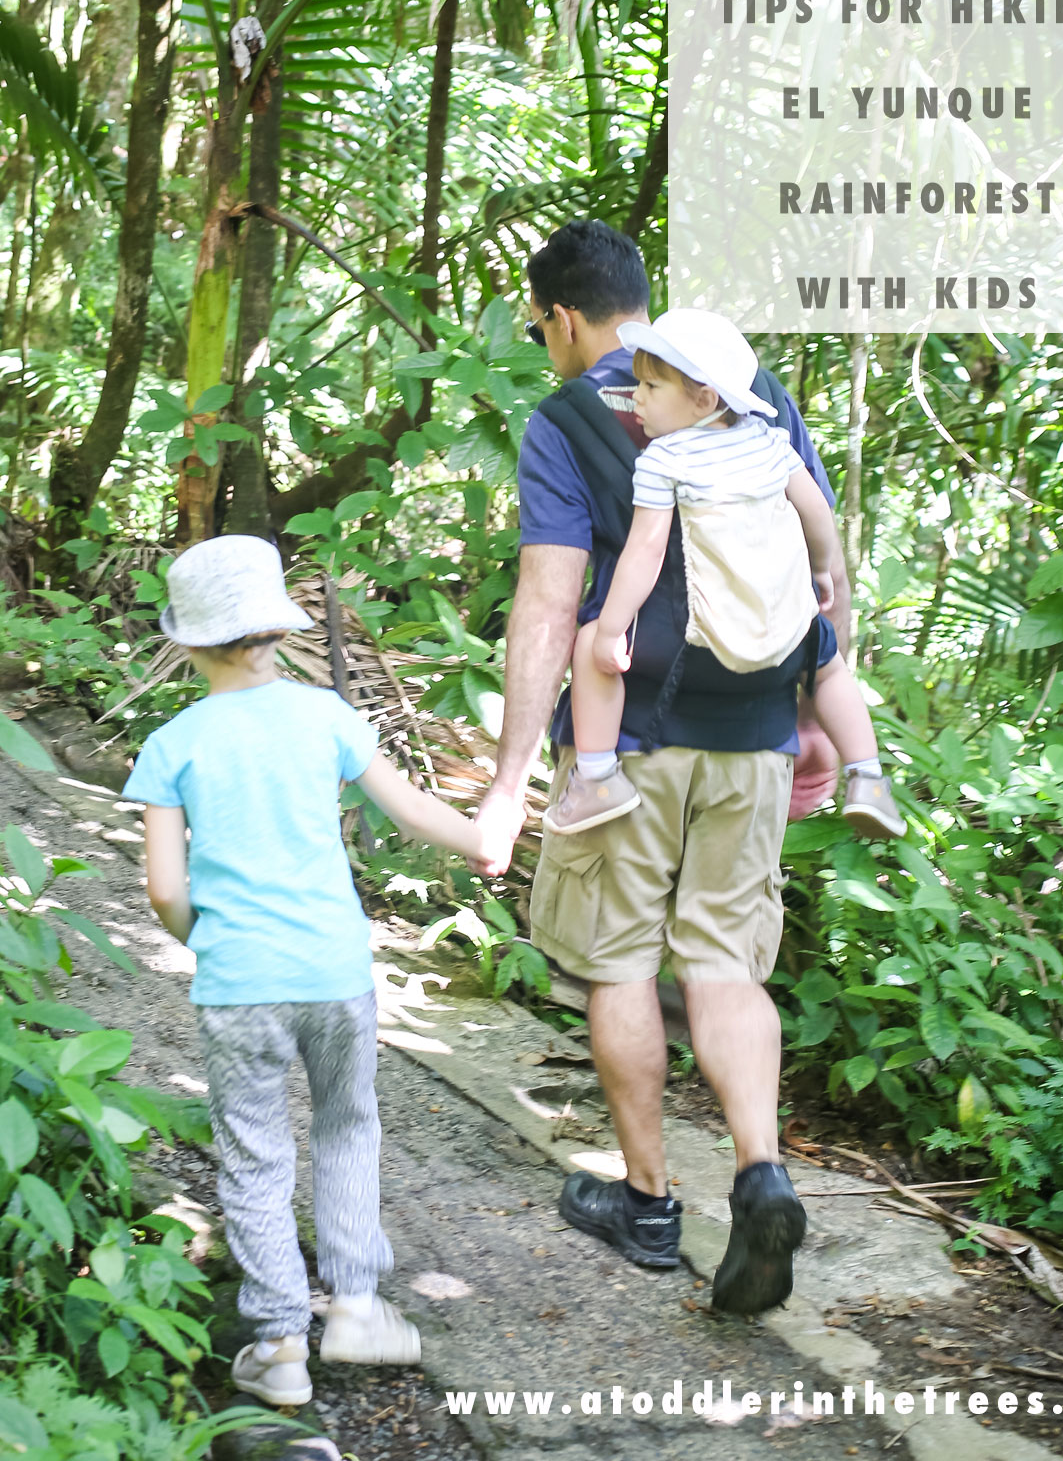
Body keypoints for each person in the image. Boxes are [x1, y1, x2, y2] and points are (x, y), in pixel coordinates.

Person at [473, 219, 843, 1316]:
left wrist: (507, 780)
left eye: (543, 328)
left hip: (627, 738)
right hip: (758, 728)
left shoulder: (565, 420)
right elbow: (826, 560)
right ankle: (759, 1170)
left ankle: (647, 1200)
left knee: (621, 958)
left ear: (565, 318)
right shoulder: (750, 390)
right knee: (726, 960)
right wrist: (824, 699)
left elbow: (550, 601)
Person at [124, 535, 510, 1409]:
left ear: (185, 641)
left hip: (238, 982)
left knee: (254, 1155)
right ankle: (360, 1309)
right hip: (335, 972)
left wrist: (207, 937)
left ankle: (278, 1344)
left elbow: (162, 888)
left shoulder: (171, 744)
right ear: (274, 632)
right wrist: (481, 839)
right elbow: (411, 812)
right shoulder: (325, 717)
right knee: (346, 1127)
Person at [543, 307, 904, 842]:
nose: (635, 396)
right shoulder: (770, 442)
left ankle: (597, 777)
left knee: (592, 645)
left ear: (705, 398)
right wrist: (824, 571)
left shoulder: (664, 461)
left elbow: (644, 552)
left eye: (649, 385)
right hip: (786, 631)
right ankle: (868, 776)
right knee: (828, 669)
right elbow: (817, 515)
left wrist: (614, 629)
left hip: (707, 634)